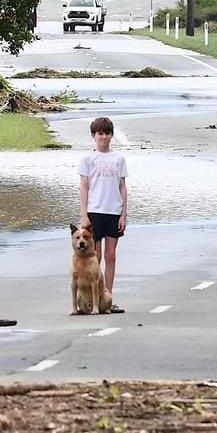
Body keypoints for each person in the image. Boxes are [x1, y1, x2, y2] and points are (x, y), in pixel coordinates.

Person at [78, 116, 127, 313]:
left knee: (111, 255)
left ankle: (107, 297)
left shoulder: (119, 159)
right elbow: (84, 186)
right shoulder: (88, 159)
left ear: (111, 135)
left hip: (113, 211)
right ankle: (92, 298)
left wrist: (124, 214)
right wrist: (84, 214)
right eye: (100, 133)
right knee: (94, 257)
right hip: (94, 211)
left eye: (107, 133)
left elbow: (122, 186)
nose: (104, 137)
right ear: (94, 136)